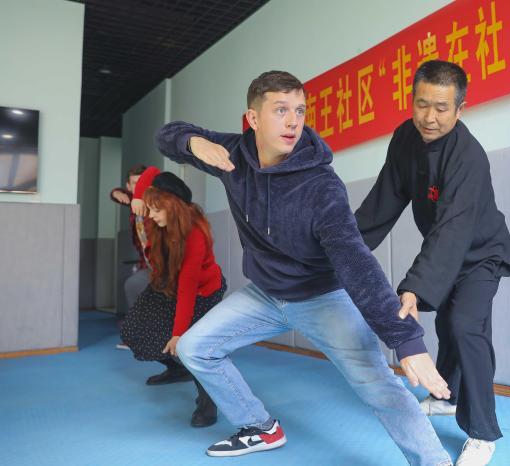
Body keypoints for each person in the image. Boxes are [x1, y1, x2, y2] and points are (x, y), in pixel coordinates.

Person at [157, 70, 452, 465]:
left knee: (379, 385)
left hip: (322, 296)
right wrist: (193, 142)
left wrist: (407, 341)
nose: (293, 121)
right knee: (195, 348)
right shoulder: (233, 155)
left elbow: (355, 261)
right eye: (281, 110)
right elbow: (167, 134)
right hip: (265, 295)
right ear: (253, 118)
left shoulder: (320, 186)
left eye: (299, 110)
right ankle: (259, 426)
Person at [354, 60, 510, 466]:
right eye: (422, 104)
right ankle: (447, 397)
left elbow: (452, 230)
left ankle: (483, 433)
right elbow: (383, 200)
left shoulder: (468, 156)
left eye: (441, 108)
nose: (429, 117)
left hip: (481, 254)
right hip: (446, 253)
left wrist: (415, 287)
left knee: (465, 327)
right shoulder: (404, 139)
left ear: (460, 108)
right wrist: (345, 249)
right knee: (447, 325)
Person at [120, 166, 227, 427]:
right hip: (169, 284)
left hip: (202, 292)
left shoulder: (195, 234)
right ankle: (177, 369)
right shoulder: (159, 221)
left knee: (193, 345)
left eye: (156, 210)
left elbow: (188, 289)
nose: (151, 215)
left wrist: (179, 334)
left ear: (173, 206)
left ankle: (208, 401)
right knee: (135, 328)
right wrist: (137, 198)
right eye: (150, 209)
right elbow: (153, 171)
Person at [110, 164, 150, 350]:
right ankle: (138, 336)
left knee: (136, 287)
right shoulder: (134, 202)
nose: (139, 187)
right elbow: (119, 195)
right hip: (147, 262)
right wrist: (115, 192)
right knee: (135, 288)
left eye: (142, 183)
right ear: (129, 186)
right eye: (135, 183)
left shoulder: (156, 202)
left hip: (166, 263)